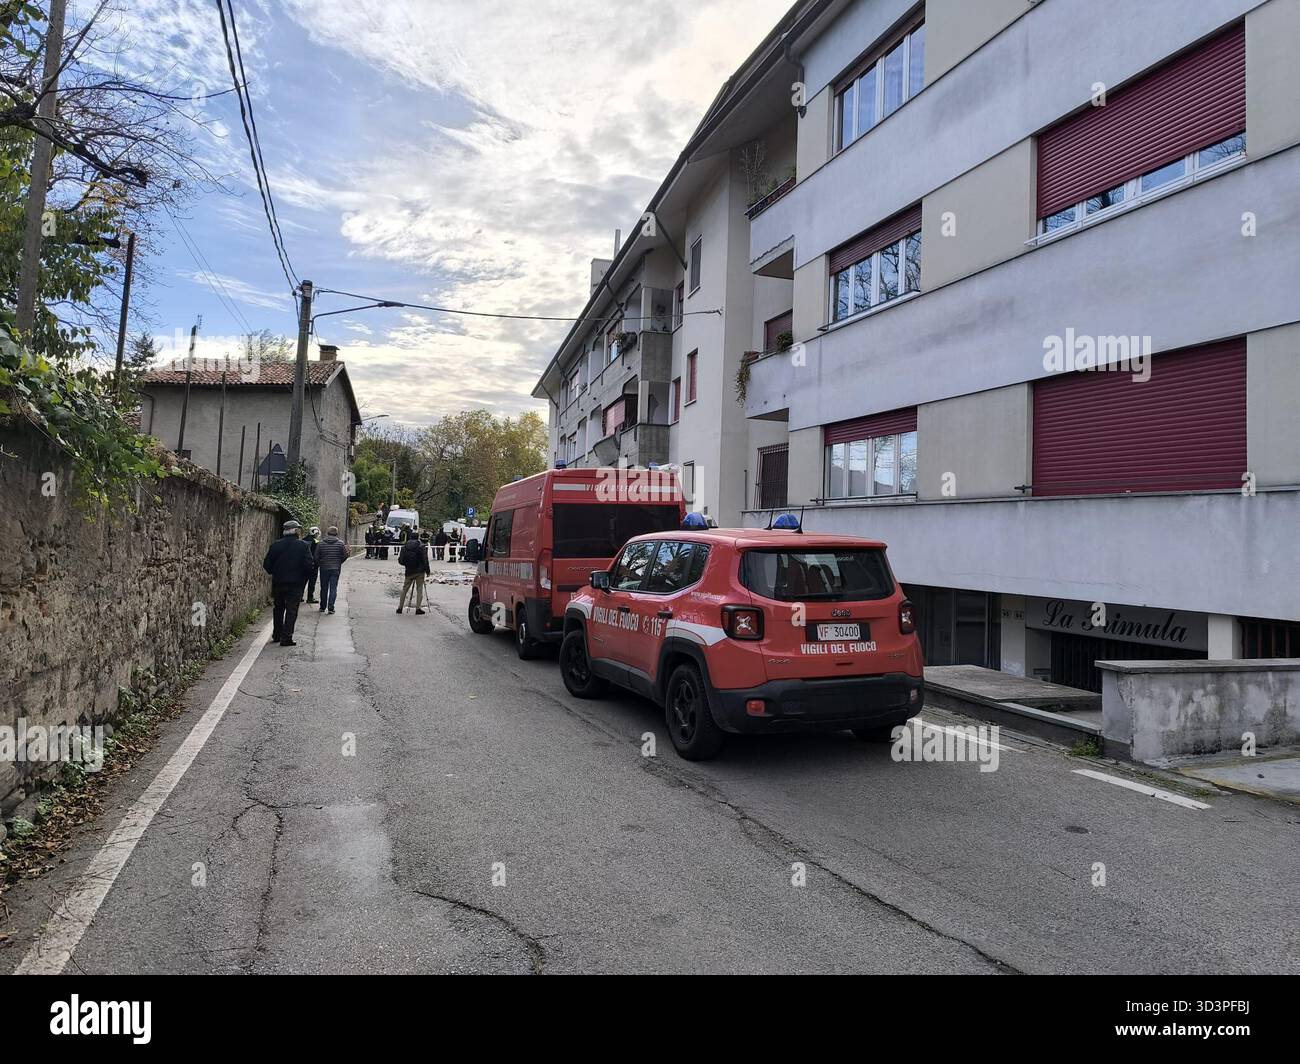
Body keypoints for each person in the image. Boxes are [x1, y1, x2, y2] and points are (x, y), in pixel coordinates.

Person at [263, 520, 315, 647]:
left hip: (279, 581)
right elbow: (309, 565)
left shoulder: (276, 545)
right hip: (296, 583)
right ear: (296, 531)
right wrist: (304, 577)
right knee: (292, 610)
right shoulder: (303, 546)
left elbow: (267, 564)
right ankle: (286, 637)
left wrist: (275, 572)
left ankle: (277, 634)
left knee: (278, 608)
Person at [315, 525, 349, 614]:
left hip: (324, 568)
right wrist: (339, 562)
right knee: (333, 588)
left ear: (327, 533)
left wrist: (321, 564)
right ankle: (331, 608)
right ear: (336, 533)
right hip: (335, 568)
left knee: (324, 588)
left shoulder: (321, 543)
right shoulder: (340, 543)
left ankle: (322, 607)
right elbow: (345, 555)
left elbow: (316, 557)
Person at [397, 530, 430, 615]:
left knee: (404, 589)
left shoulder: (404, 547)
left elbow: (401, 560)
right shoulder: (421, 547)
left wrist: (407, 564)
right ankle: (418, 608)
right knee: (419, 590)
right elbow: (425, 560)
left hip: (409, 571)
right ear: (418, 537)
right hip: (419, 571)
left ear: (410, 537)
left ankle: (400, 608)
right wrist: (427, 571)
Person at [303, 526, 320, 603]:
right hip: (313, 565)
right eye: (317, 533)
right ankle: (310, 598)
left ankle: (300, 596)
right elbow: (317, 553)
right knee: (312, 582)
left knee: (303, 581)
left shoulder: (303, 540)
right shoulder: (315, 541)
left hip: (304, 565)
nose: (317, 535)